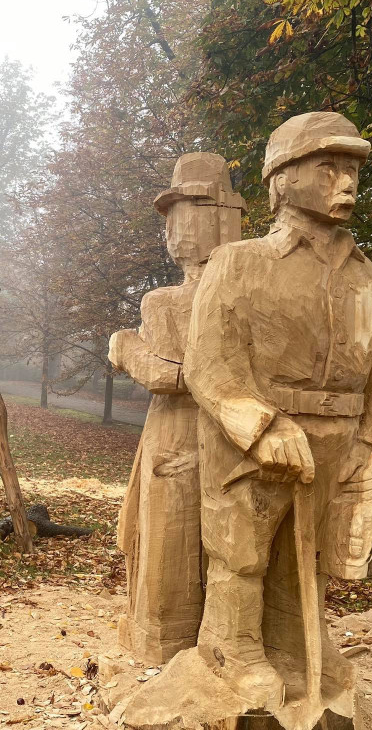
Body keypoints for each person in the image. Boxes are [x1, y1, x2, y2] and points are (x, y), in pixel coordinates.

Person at [183, 112, 372, 710]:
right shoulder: (239, 263)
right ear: (282, 181)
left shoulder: (364, 274)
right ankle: (233, 645)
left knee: (312, 557)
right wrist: (260, 423)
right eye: (328, 167)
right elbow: (209, 362)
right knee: (241, 552)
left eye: (351, 168)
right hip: (256, 441)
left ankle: (295, 641)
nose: (346, 181)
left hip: (339, 435)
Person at [110, 152, 245, 664]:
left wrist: (129, 349)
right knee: (158, 534)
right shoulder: (166, 298)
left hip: (202, 430)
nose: (175, 227)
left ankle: (173, 644)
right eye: (170, 214)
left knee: (178, 541)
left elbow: (180, 374)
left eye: (188, 209)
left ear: (223, 215)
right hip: (168, 431)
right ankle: (160, 638)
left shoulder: (185, 301)